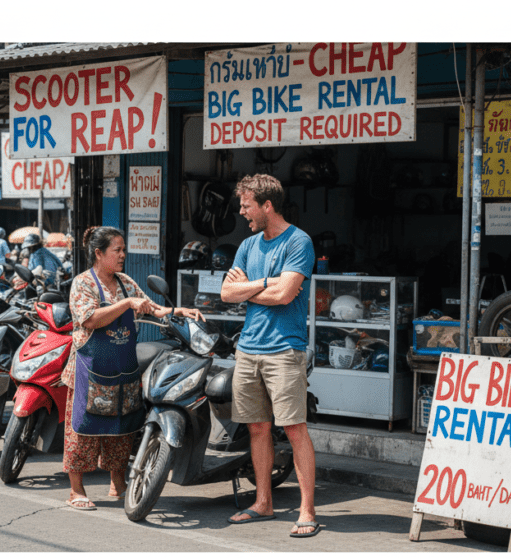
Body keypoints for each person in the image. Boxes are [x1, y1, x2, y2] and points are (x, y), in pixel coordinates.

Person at [59, 225, 204, 510]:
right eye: (118, 250)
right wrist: (126, 304)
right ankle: (76, 490)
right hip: (90, 370)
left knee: (122, 429)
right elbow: (89, 319)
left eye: (124, 249)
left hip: (122, 370)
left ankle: (119, 483)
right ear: (99, 254)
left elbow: (149, 306)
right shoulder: (83, 283)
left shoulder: (124, 281)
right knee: (82, 430)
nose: (124, 254)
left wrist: (178, 311)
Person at [219, 173, 320, 538]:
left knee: (294, 429)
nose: (242, 212)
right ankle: (263, 502)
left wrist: (250, 289)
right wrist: (265, 283)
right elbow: (227, 293)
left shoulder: (299, 242)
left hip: (284, 350)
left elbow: (286, 295)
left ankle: (307, 510)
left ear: (266, 205)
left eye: (247, 205)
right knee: (257, 428)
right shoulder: (247, 246)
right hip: (248, 349)